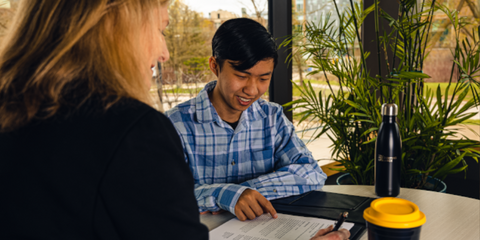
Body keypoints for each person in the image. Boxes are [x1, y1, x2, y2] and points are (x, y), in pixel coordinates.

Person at [0, 0, 208, 239]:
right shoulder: (134, 132)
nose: (165, 53)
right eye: (159, 29)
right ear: (115, 24)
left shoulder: (14, 115)